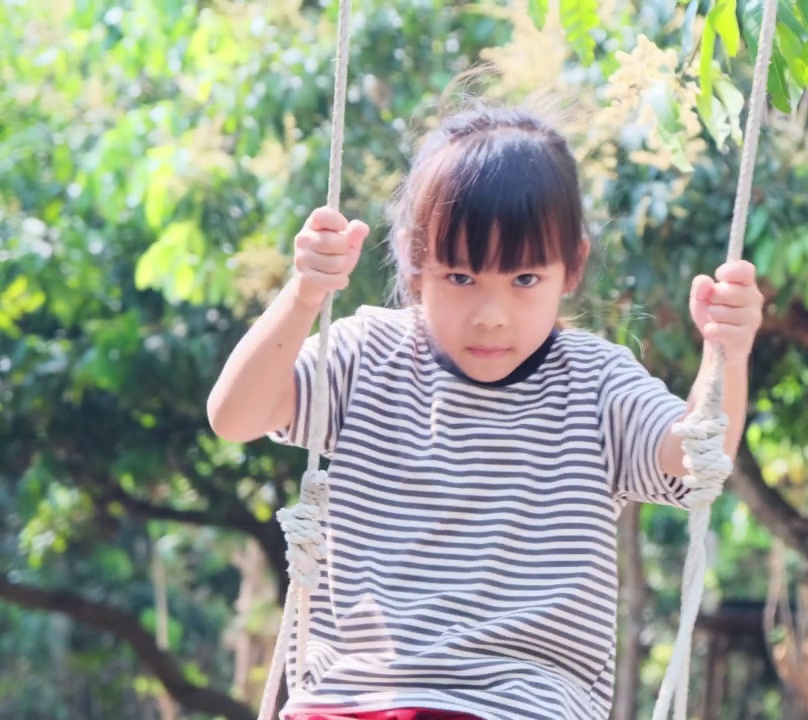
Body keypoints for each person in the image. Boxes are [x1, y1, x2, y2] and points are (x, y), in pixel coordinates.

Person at [206, 103, 764, 720]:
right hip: (354, 698)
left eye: (524, 279)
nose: (491, 315)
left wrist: (726, 354)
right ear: (416, 267)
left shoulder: (596, 381)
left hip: (521, 703)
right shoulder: (366, 356)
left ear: (571, 268)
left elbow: (693, 459)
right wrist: (305, 294)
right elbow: (235, 416)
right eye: (461, 277)